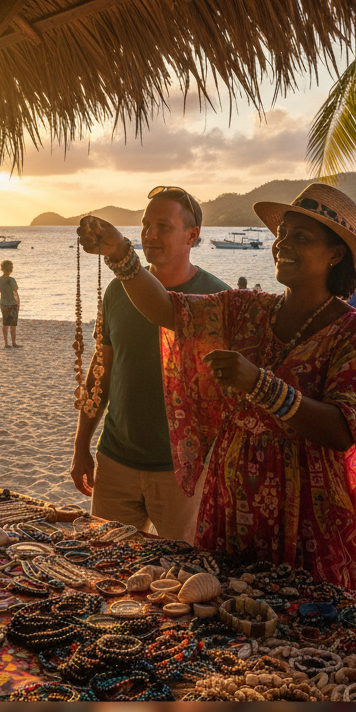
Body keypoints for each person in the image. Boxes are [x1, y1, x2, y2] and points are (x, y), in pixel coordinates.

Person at [78, 182, 356, 590]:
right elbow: (166, 308)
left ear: (335, 254)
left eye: (301, 237)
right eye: (281, 234)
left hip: (311, 512)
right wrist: (121, 255)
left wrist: (261, 385)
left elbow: (345, 429)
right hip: (233, 504)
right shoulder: (247, 308)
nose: (283, 245)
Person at [71, 187, 228, 544]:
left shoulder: (216, 299)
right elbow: (101, 372)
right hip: (115, 461)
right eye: (145, 224)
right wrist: (82, 446)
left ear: (192, 236)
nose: (149, 234)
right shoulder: (116, 291)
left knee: (178, 582)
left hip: (183, 473)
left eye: (162, 225)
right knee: (103, 567)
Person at [0, 259, 20, 347]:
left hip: (3, 303)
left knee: (5, 323)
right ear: (11, 269)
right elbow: (15, 291)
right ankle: (14, 342)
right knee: (13, 324)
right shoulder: (12, 280)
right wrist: (18, 303)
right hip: (12, 303)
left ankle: (6, 343)